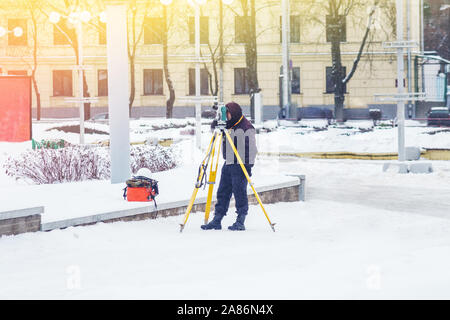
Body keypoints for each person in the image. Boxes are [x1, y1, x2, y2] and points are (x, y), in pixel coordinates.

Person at [201, 102, 257, 231]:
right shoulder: (229, 124)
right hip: (229, 162)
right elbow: (214, 129)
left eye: (228, 113)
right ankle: (217, 220)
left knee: (239, 193)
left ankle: (240, 220)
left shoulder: (246, 127)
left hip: (241, 164)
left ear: (234, 113)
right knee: (222, 192)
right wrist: (216, 122)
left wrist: (245, 166)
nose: (226, 117)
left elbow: (252, 150)